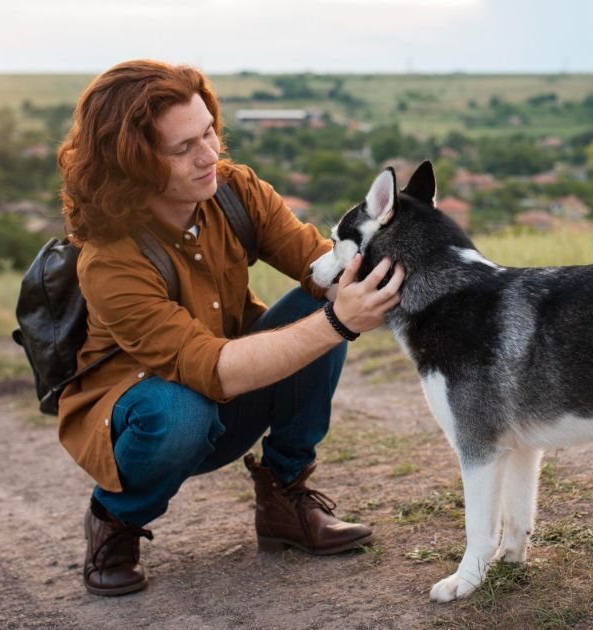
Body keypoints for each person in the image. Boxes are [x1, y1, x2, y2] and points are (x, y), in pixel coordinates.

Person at [55, 59, 404, 597]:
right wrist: (339, 320)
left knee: (319, 312)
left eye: (210, 131)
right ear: (132, 163)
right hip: (148, 420)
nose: (209, 154)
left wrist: (419, 276)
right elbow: (212, 371)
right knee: (182, 408)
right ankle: (115, 520)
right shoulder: (109, 260)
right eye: (183, 148)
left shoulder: (234, 190)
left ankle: (285, 498)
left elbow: (323, 266)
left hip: (231, 390)